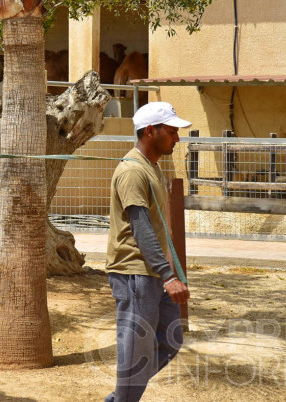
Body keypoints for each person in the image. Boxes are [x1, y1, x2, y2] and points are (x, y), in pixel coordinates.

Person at [104, 101, 192, 401]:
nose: (177, 139)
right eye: (171, 132)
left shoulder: (150, 166)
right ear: (150, 131)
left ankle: (121, 396)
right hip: (134, 275)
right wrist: (169, 276)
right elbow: (140, 227)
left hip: (150, 273)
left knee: (171, 338)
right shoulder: (132, 172)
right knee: (135, 353)